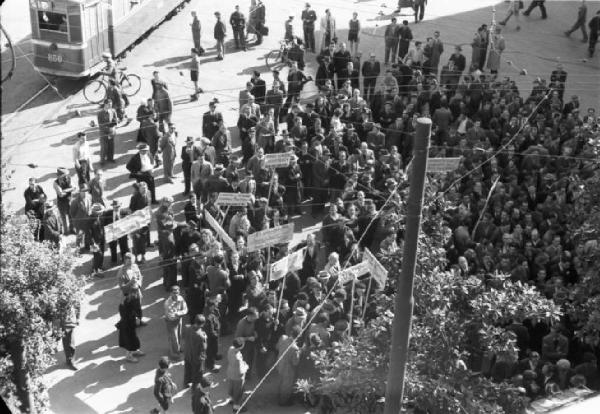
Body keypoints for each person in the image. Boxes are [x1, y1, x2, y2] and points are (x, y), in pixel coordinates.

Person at [117, 252, 146, 325]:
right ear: (125, 261)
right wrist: (131, 282)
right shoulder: (121, 272)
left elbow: (140, 277)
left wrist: (138, 285)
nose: (131, 264)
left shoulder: (135, 266)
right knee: (127, 310)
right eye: (129, 262)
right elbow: (122, 287)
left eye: (132, 262)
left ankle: (139, 321)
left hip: (136, 292)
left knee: (138, 308)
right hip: (127, 294)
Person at [117, 292, 145, 363]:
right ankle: (128, 356)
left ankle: (134, 351)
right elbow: (135, 310)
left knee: (133, 338)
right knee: (129, 340)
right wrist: (137, 318)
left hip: (130, 323)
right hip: (126, 324)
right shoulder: (125, 303)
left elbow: (137, 309)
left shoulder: (130, 300)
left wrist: (138, 318)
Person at [276, 327, 301, 406]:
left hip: (279, 364)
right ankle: (283, 402)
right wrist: (299, 353)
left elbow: (277, 347)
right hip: (288, 369)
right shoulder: (295, 348)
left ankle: (278, 396)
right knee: (286, 386)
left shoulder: (282, 338)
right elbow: (295, 362)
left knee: (280, 381)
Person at [183, 314, 208, 388]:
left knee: (188, 370)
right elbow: (204, 347)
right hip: (196, 357)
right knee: (197, 373)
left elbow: (184, 337)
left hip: (187, 354)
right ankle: (195, 388)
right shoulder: (200, 336)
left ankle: (186, 382)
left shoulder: (187, 327)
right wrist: (205, 338)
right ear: (202, 324)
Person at [164, 285, 189, 361]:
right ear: (171, 293)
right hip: (171, 322)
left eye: (177, 292)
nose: (176, 294)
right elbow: (170, 316)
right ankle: (175, 355)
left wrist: (177, 313)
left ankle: (177, 349)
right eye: (174, 293)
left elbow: (185, 310)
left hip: (179, 320)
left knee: (179, 335)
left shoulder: (180, 299)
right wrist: (179, 314)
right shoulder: (167, 303)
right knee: (174, 338)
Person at [226, 338, 249, 413]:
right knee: (238, 392)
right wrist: (246, 366)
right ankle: (236, 408)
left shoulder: (231, 349)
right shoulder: (238, 359)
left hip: (230, 373)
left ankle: (231, 400)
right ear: (241, 346)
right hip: (238, 377)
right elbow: (241, 371)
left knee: (231, 387)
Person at [54, 167, 76, 234]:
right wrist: (70, 189)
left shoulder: (69, 178)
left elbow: (75, 188)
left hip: (69, 200)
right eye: (65, 174)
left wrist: (65, 190)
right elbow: (60, 194)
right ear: (60, 175)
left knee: (71, 216)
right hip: (61, 203)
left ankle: (72, 229)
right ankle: (66, 231)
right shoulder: (55, 183)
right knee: (63, 218)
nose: (66, 175)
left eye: (66, 174)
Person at [60, 303, 80, 370]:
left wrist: (77, 317)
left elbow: (77, 303)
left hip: (68, 318)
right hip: (58, 315)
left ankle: (70, 360)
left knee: (69, 339)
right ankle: (70, 359)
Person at [97, 100, 117, 164]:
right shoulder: (100, 113)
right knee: (104, 147)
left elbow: (115, 121)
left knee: (111, 146)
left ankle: (110, 158)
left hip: (111, 131)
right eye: (109, 104)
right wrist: (108, 129)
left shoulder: (113, 111)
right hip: (103, 132)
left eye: (111, 104)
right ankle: (102, 161)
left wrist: (113, 128)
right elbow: (101, 125)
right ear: (105, 104)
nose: (110, 106)